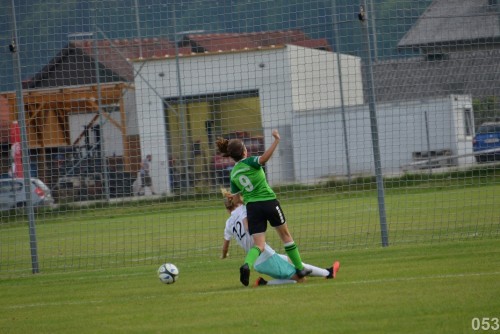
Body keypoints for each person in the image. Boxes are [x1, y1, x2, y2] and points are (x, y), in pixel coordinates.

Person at [216, 129, 310, 286]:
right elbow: (264, 158)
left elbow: (237, 197)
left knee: (258, 244)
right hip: (269, 202)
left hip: (253, 208)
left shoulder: (233, 175)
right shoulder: (251, 161)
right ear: (245, 151)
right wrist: (276, 141)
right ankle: (300, 268)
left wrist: (232, 199)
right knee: (286, 236)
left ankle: (247, 265)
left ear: (231, 156)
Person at [220, 191, 340, 287]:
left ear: (227, 208)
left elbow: (225, 249)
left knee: (296, 263)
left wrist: (224, 256)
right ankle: (264, 284)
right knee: (301, 280)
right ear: (239, 199)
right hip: (265, 257)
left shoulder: (228, 223)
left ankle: (328, 273)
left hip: (257, 260)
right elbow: (247, 226)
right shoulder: (246, 210)